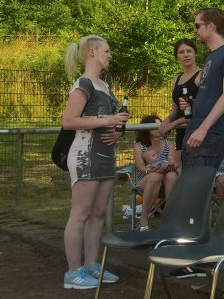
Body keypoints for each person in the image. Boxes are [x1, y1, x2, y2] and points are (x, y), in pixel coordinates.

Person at [60, 35, 128, 289]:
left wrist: (117, 131)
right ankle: (72, 273)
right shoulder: (84, 84)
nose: (110, 55)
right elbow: (69, 121)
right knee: (80, 214)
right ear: (92, 52)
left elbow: (108, 119)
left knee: (98, 213)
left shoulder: (104, 85)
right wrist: (107, 121)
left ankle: (91, 265)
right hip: (85, 155)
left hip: (106, 155)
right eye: (106, 51)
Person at [180, 8, 224, 169]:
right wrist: (192, 104)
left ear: (211, 26)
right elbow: (211, 93)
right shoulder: (211, 56)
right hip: (196, 129)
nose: (195, 31)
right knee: (189, 181)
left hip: (210, 133)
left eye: (197, 25)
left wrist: (203, 128)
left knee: (198, 182)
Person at [133, 115, 179, 231]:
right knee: (155, 176)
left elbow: (172, 160)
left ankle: (170, 218)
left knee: (172, 175)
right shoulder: (139, 146)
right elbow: (140, 167)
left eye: (160, 126)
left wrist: (172, 163)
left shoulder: (169, 144)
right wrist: (149, 170)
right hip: (145, 180)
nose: (159, 128)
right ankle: (144, 220)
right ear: (147, 128)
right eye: (155, 126)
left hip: (166, 180)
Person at [159, 39, 201, 163]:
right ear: (177, 56)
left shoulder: (202, 76)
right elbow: (175, 111)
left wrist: (172, 124)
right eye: (181, 52)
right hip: (181, 132)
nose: (186, 55)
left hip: (197, 132)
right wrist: (166, 121)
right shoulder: (176, 80)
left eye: (189, 51)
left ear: (195, 53)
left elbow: (201, 110)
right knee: (179, 168)